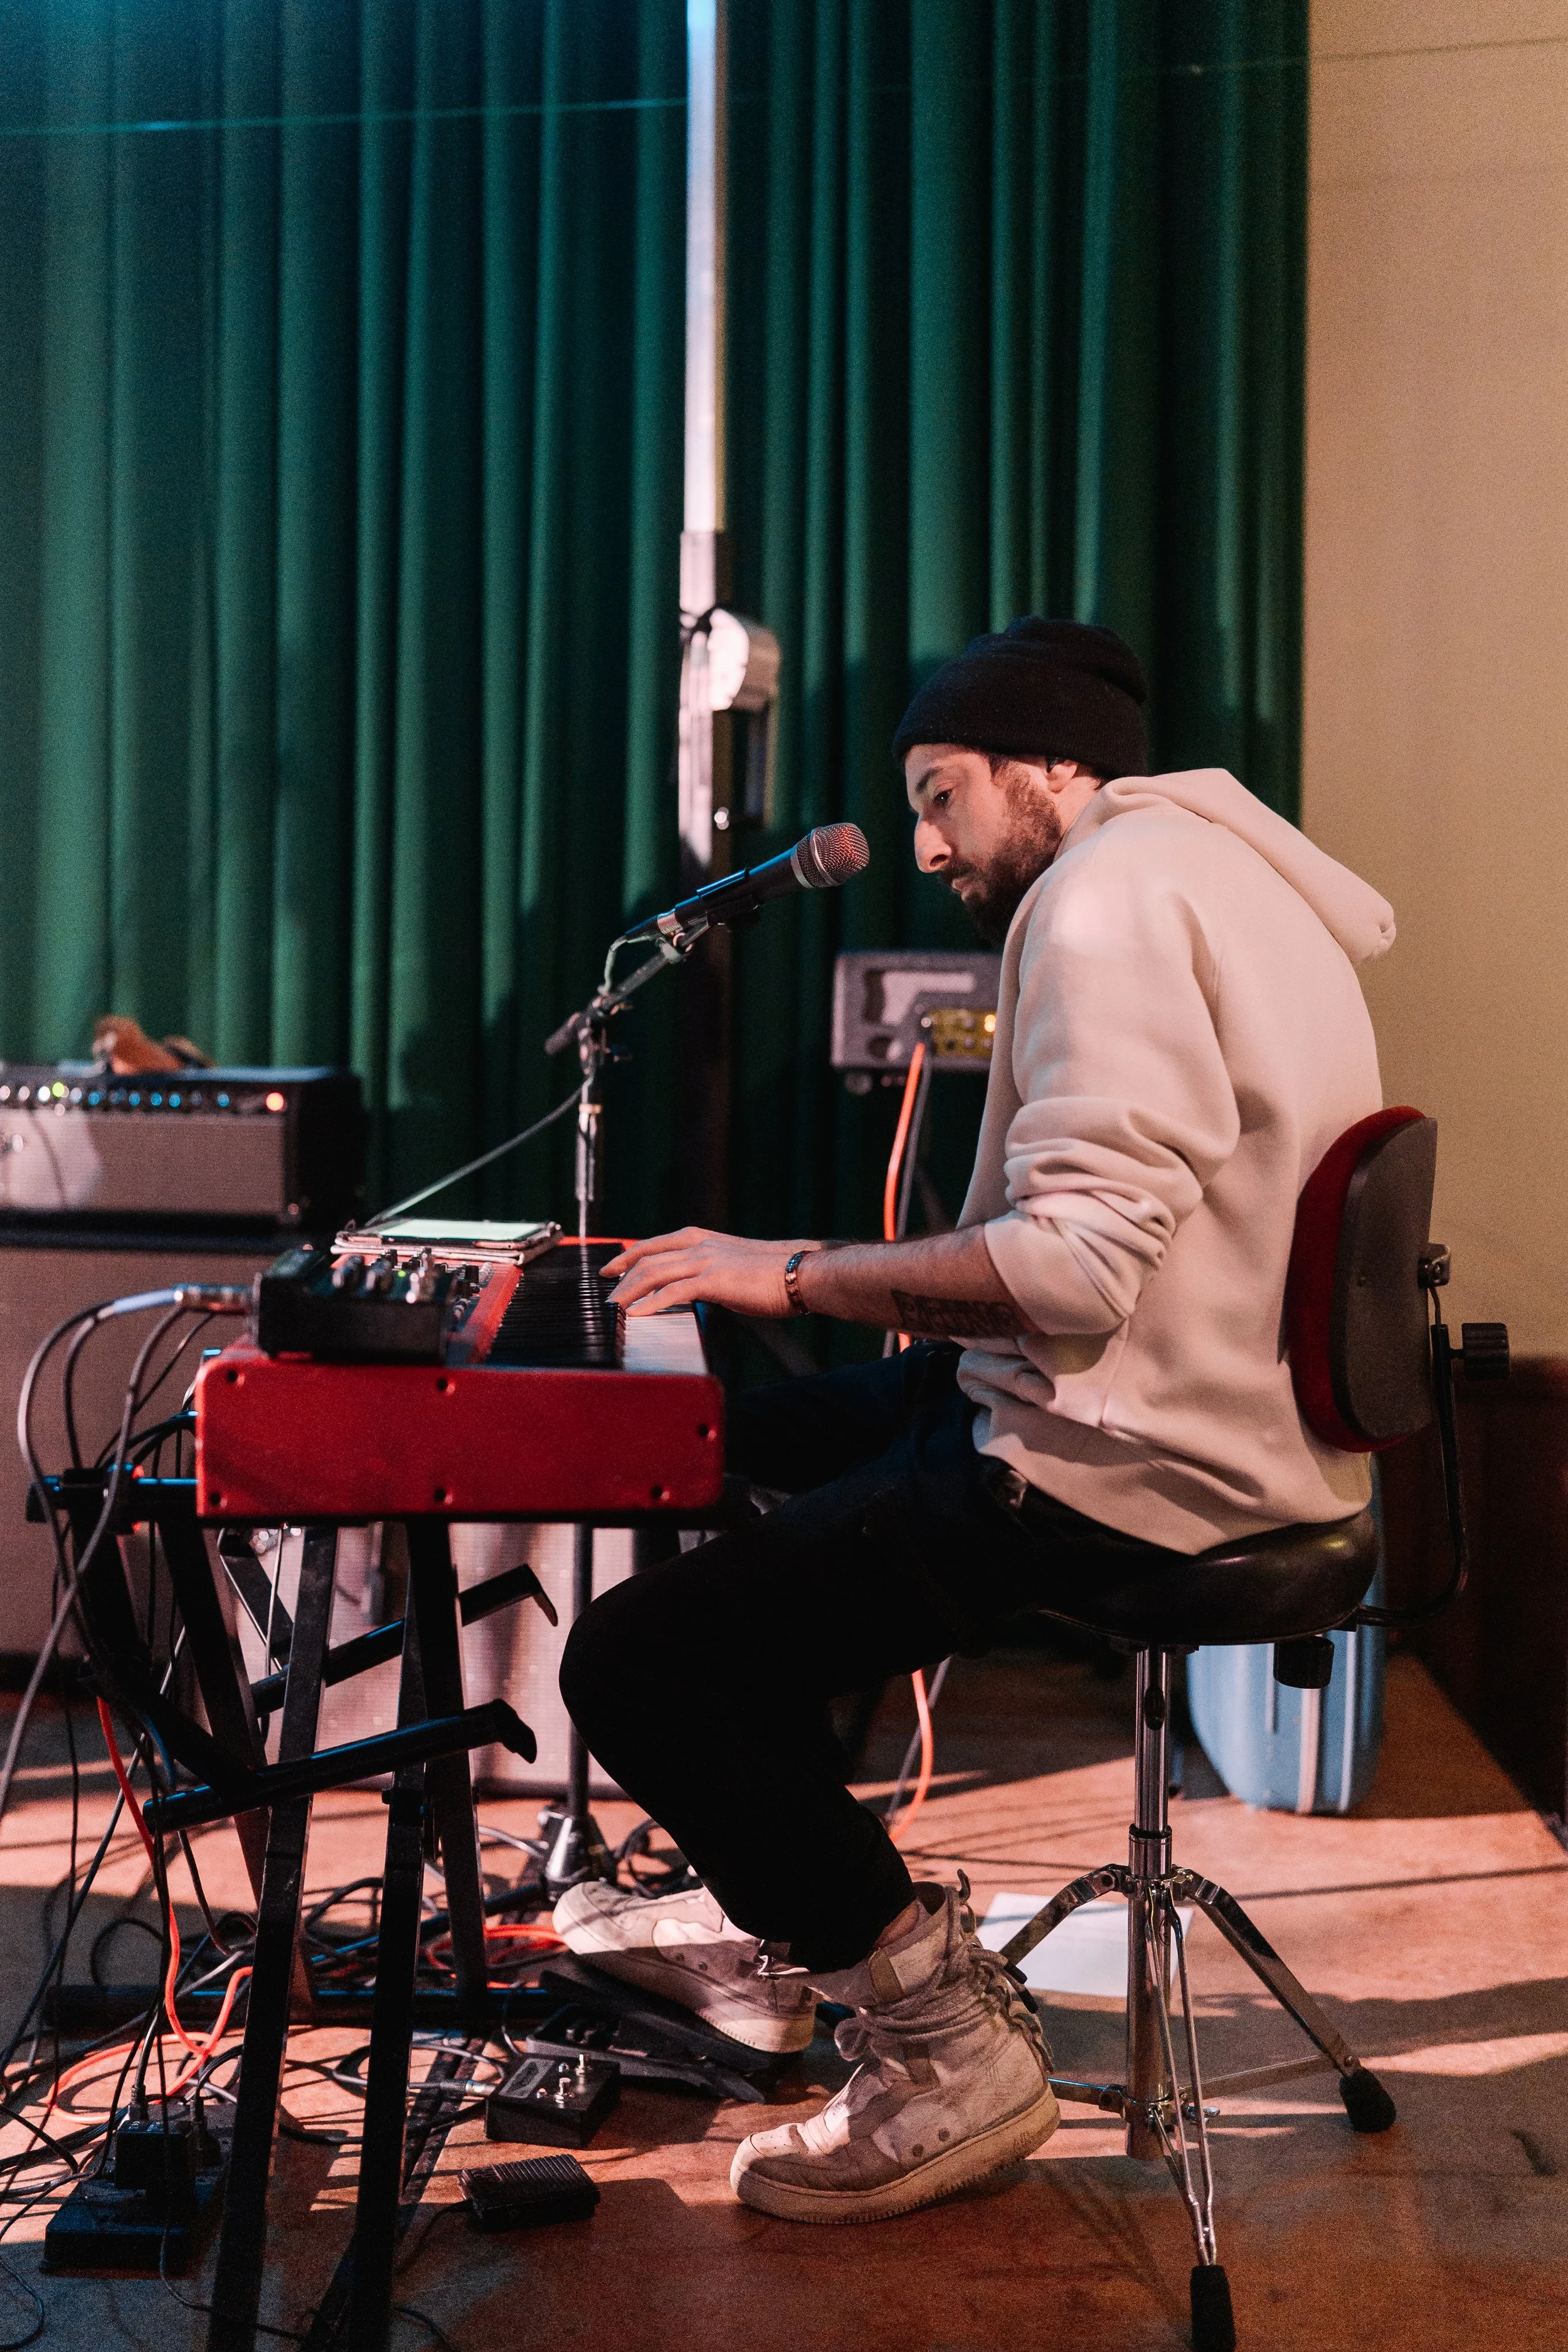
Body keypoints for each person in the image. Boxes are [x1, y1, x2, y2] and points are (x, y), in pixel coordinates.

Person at [554, 615, 1395, 2227]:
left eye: (944, 797)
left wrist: (788, 1272)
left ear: (1051, 767)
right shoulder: (1227, 873)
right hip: (1206, 1407)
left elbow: (1072, 1274)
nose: (926, 846)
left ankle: (940, 2043)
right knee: (726, 1451)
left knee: (639, 1658)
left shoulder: (1101, 911)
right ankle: (805, 1908)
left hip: (1125, 1462)